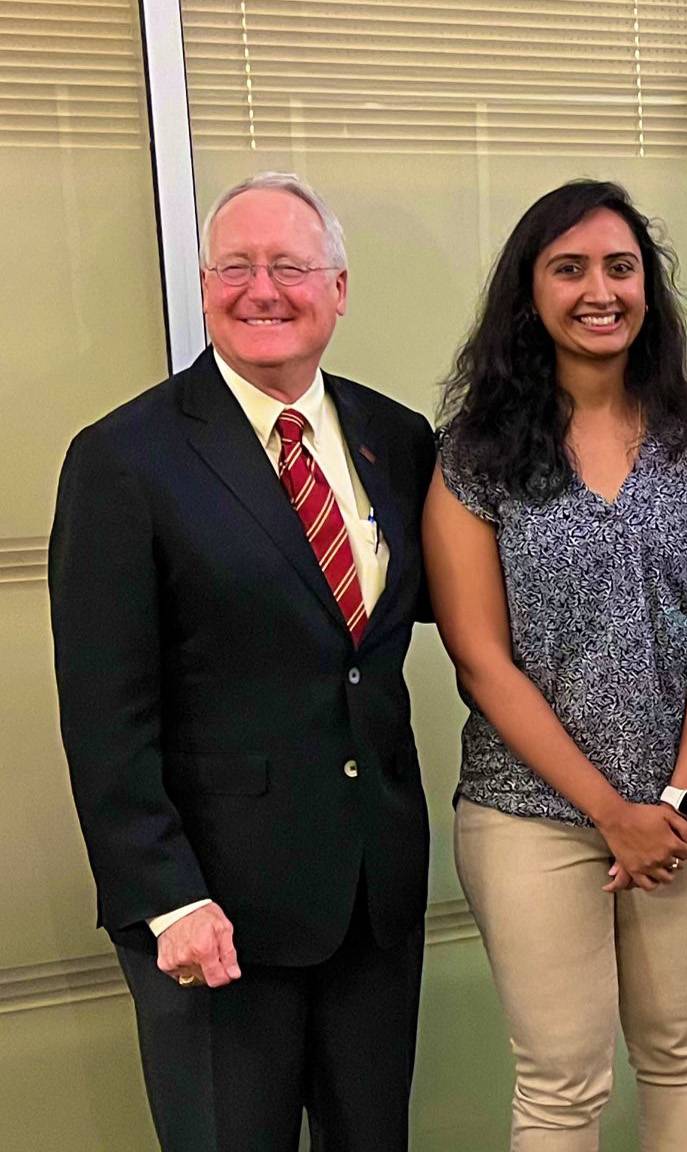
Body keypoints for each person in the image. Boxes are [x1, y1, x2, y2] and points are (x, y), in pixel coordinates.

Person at [49, 171, 437, 1149]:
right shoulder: (124, 458)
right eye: (236, 267)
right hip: (216, 915)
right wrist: (166, 896)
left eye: (291, 267)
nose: (262, 289)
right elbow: (105, 710)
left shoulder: (397, 438)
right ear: (205, 282)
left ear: (339, 288)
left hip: (371, 901)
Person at [424, 180, 687, 1151]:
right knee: (562, 1082)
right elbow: (480, 661)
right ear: (529, 294)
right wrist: (612, 814)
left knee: (682, 1049)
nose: (597, 290)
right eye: (567, 269)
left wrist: (678, 804)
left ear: (647, 290)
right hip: (530, 815)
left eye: (619, 267)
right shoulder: (473, 458)